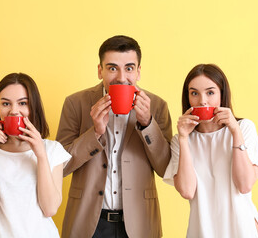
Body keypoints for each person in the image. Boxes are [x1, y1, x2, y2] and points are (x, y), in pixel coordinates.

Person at [56, 35, 172, 238]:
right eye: (112, 68)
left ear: (138, 71)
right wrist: (95, 133)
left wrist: (147, 124)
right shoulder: (75, 103)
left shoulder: (157, 106)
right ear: (100, 70)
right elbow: (60, 167)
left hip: (140, 223)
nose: (121, 77)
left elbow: (166, 168)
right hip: (88, 223)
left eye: (129, 68)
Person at [163, 64, 258, 238]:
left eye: (210, 92)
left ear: (222, 94)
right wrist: (183, 139)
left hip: (245, 232)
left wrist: (235, 132)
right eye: (194, 93)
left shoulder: (243, 128)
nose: (202, 101)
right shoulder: (180, 140)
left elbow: (244, 185)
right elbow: (187, 191)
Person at [0, 73, 71, 238]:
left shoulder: (53, 150)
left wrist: (40, 154)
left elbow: (50, 208)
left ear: (33, 107)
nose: (14, 111)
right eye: (6, 103)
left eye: (23, 103)